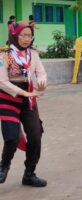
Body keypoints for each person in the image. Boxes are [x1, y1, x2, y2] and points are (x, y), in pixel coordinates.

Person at [0, 21, 47, 187]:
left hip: (28, 100)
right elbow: (2, 81)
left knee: (35, 136)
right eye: (23, 35)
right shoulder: (4, 55)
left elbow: (41, 72)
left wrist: (42, 82)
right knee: (11, 137)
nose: (27, 39)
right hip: (8, 98)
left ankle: (29, 173)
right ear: (14, 36)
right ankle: (3, 166)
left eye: (29, 35)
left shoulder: (33, 54)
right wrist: (24, 92)